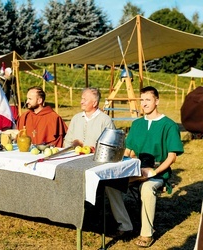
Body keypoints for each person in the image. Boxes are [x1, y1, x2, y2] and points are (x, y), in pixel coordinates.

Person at [63, 87, 133, 236]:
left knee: (111, 186)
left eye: (85, 99)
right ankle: (71, 217)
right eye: (81, 98)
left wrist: (95, 150)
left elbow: (114, 146)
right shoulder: (76, 118)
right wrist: (72, 145)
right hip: (75, 162)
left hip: (99, 164)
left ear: (94, 103)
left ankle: (123, 225)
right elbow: (67, 141)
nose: (81, 101)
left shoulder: (104, 120)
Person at [123, 86, 184, 247]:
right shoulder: (136, 124)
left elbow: (172, 157)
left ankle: (146, 233)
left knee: (147, 188)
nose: (144, 104)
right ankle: (123, 225)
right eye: (142, 100)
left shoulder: (169, 125)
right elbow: (128, 152)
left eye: (148, 100)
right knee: (111, 185)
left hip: (158, 172)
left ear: (157, 101)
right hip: (136, 169)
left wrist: (153, 172)